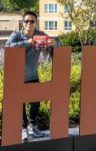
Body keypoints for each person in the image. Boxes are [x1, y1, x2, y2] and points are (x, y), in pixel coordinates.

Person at [5, 11, 58, 141]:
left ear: (36, 23)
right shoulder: (16, 35)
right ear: (23, 23)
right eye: (27, 21)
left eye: (32, 21)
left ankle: (32, 126)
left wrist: (55, 43)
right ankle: (23, 128)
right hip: (17, 76)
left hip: (32, 74)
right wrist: (28, 42)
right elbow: (7, 47)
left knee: (36, 101)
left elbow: (56, 44)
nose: (29, 23)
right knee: (20, 103)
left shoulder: (40, 35)